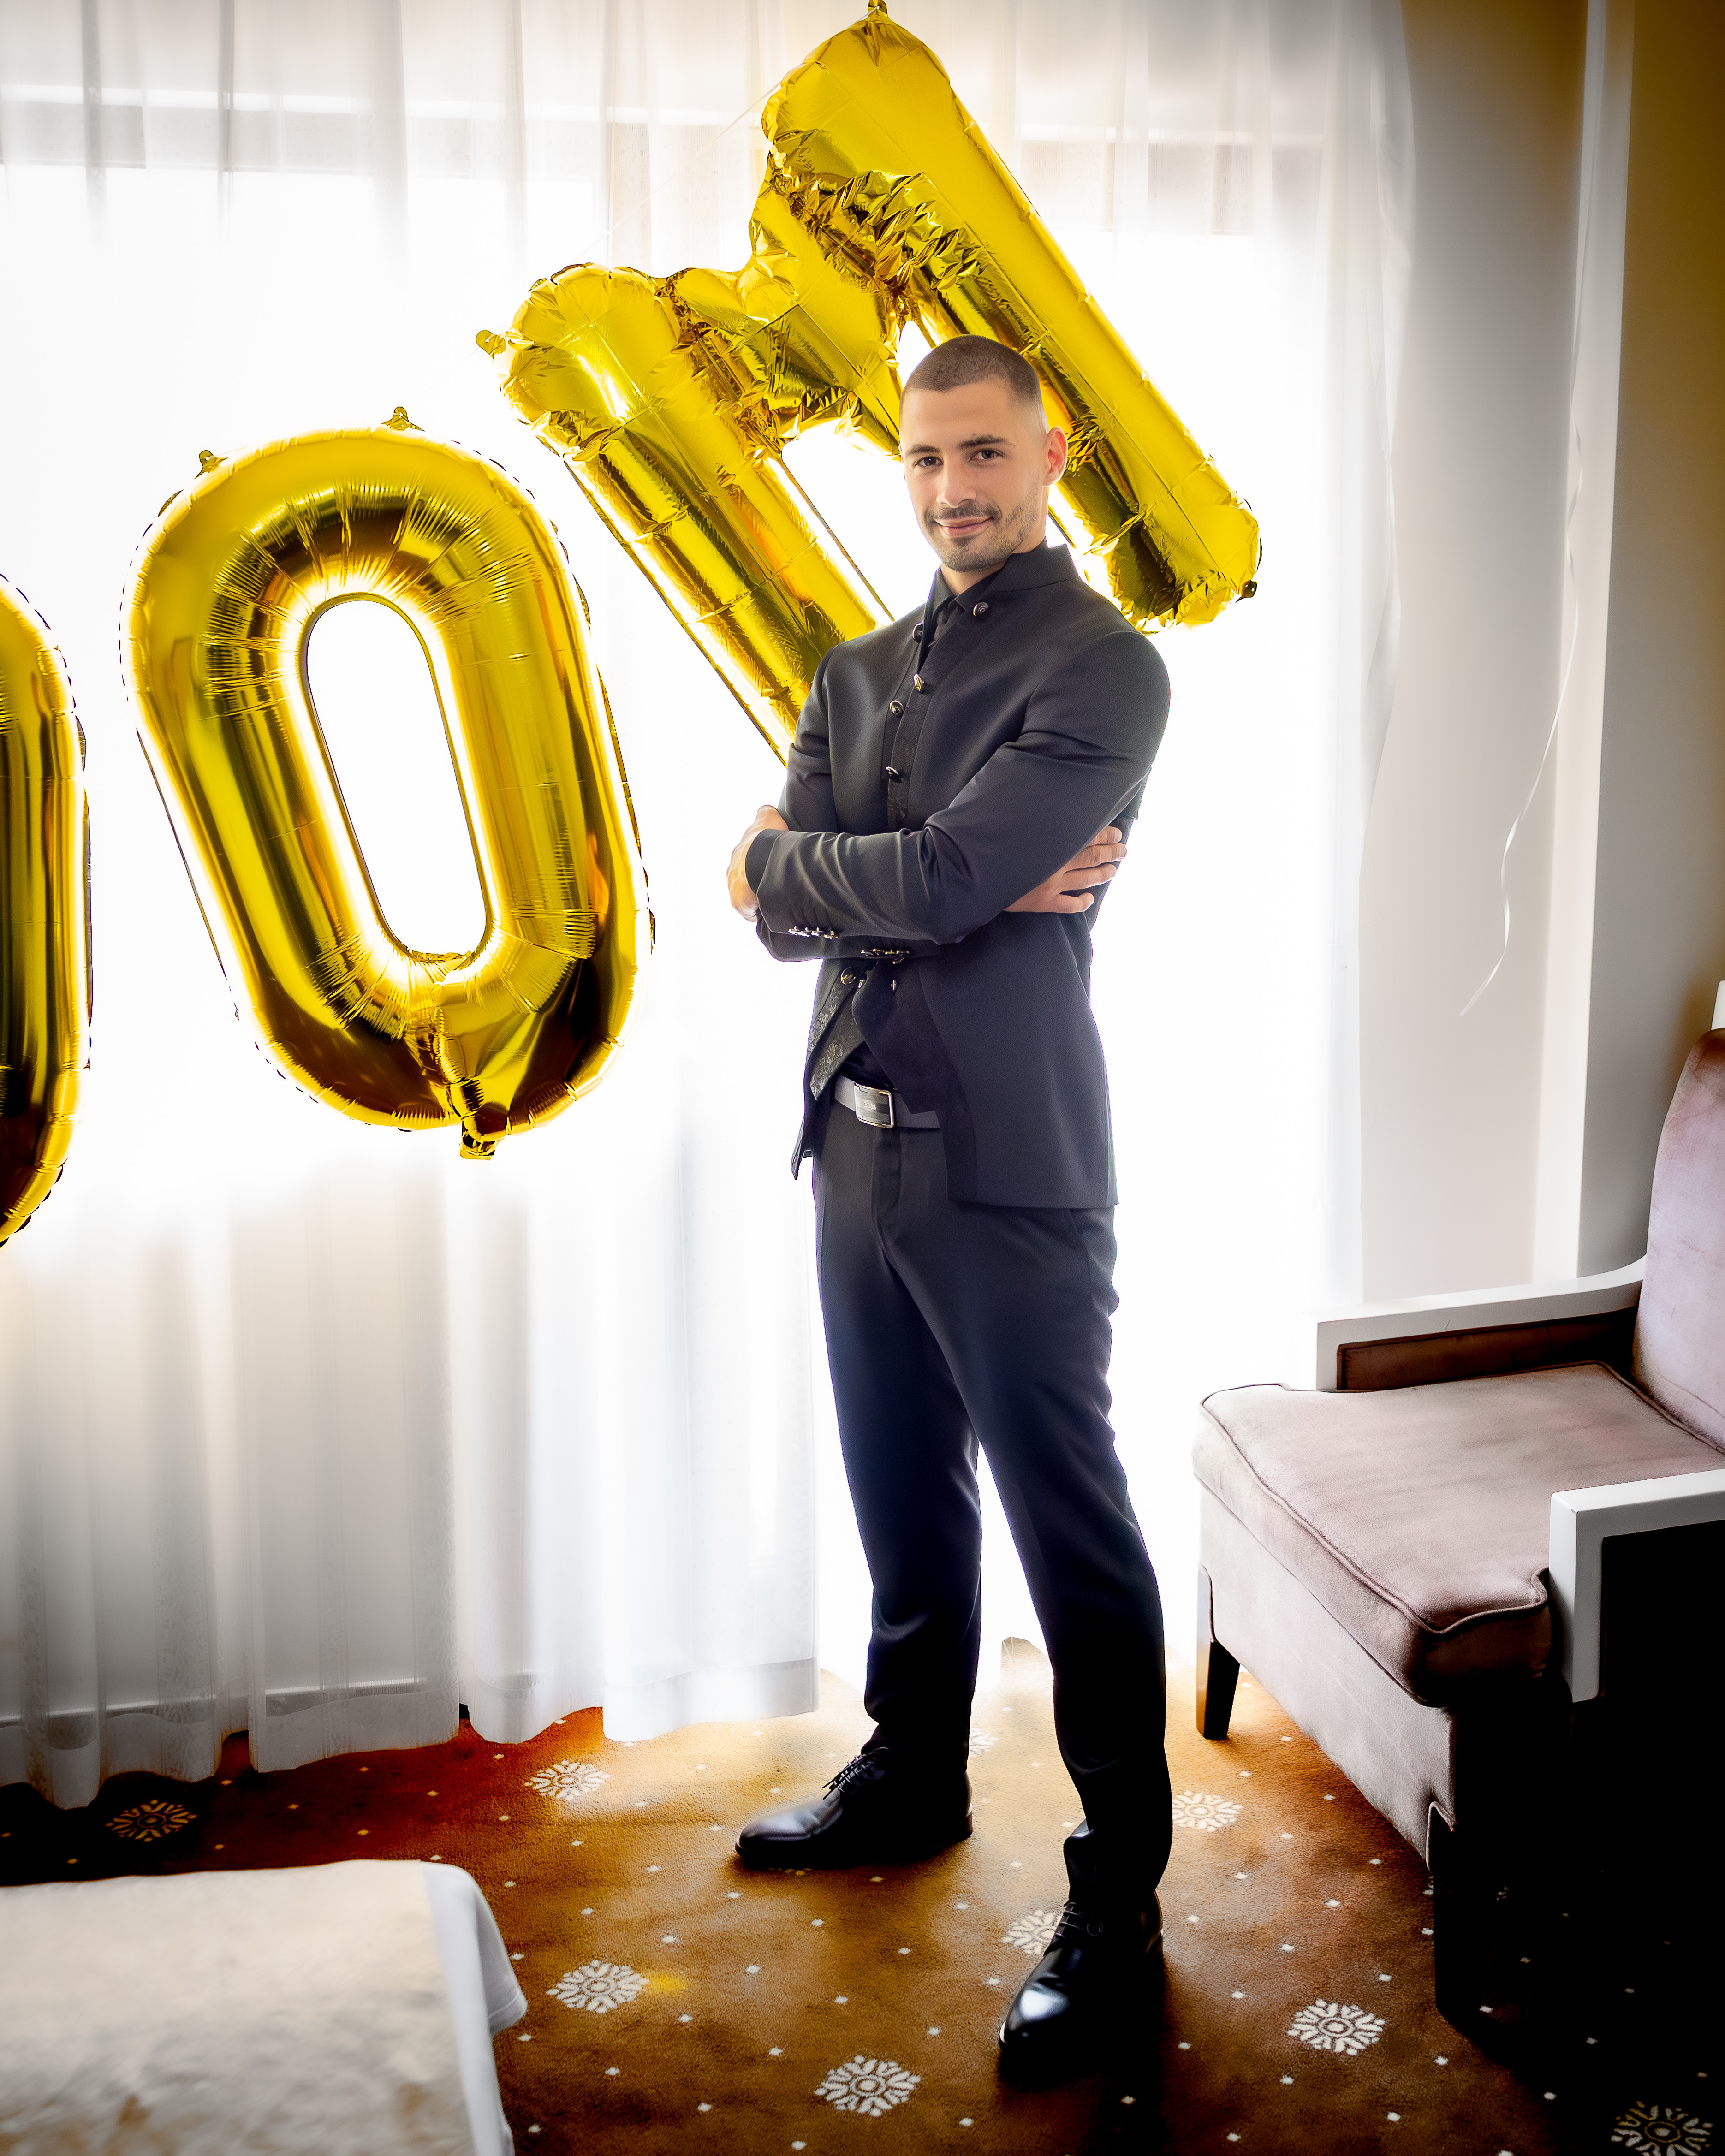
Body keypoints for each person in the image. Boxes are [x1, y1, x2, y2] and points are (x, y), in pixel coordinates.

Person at [724, 335, 1172, 2085]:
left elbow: (923, 875)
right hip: (849, 1137)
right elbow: (845, 904)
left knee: (1070, 1526)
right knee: (899, 1490)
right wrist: (855, 883)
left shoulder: (1106, 666)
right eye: (923, 459)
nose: (951, 489)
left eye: (982, 453)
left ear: (1047, 457)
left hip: (1010, 1159)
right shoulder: (850, 668)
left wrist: (793, 863)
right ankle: (910, 1774)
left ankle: (1116, 1899)